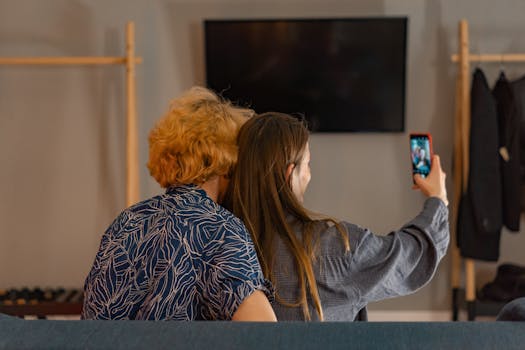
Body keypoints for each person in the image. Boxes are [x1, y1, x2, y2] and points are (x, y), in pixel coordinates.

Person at [225, 112, 449, 321]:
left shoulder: (218, 247)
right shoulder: (337, 247)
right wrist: (437, 200)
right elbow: (412, 255)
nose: (309, 174)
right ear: (289, 174)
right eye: (308, 164)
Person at [81, 87, 276, 321]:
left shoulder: (126, 222)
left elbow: (93, 321)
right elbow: (263, 333)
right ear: (226, 161)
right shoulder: (220, 229)